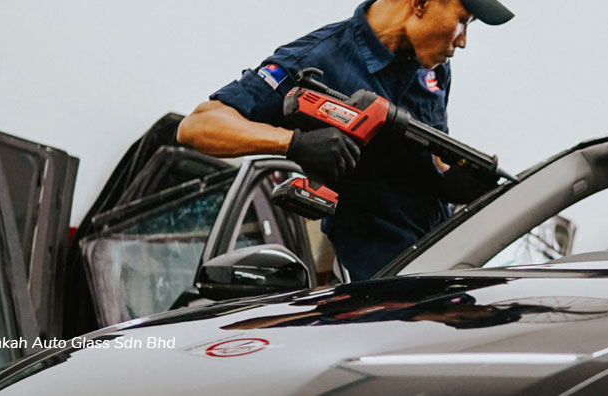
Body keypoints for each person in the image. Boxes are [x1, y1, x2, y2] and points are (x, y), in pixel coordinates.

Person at [177, 0, 513, 281]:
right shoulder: (315, 58)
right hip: (377, 282)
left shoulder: (434, 70)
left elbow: (434, 159)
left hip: (442, 260)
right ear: (420, 3)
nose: (463, 41)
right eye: (462, 21)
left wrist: (452, 183)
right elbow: (198, 125)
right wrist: (294, 143)